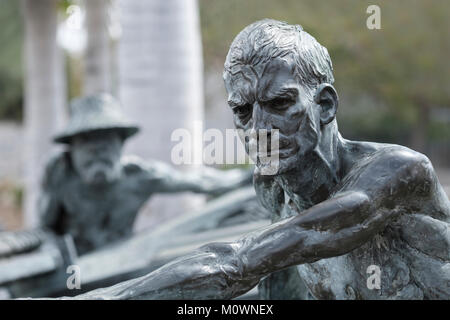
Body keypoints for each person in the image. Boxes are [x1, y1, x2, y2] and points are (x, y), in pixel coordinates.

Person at [74, 19, 449, 300]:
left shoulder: (398, 172)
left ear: (324, 104)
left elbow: (241, 262)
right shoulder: (274, 187)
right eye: (242, 111)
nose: (259, 129)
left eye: (279, 103)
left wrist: (108, 296)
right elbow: (275, 284)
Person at [39, 94, 251, 255]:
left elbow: (203, 181)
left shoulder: (139, 177)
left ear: (121, 143)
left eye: (105, 138)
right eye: (85, 141)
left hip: (119, 262)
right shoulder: (61, 178)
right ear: (71, 150)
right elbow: (45, 228)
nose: (96, 149)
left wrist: (251, 176)